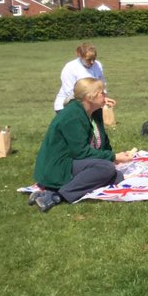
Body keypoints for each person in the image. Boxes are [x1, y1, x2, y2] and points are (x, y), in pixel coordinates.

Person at [31, 77, 136, 212]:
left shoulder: (94, 111)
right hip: (58, 164)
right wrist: (113, 157)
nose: (105, 95)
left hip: (72, 161)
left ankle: (47, 193)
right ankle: (57, 196)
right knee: (106, 169)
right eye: (101, 93)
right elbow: (80, 152)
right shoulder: (72, 116)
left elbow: (102, 140)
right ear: (89, 98)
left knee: (115, 175)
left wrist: (110, 156)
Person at [53, 42, 116, 112]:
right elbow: (70, 92)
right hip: (69, 106)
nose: (92, 62)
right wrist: (89, 102)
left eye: (94, 58)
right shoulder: (70, 67)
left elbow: (102, 84)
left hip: (93, 105)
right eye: (89, 59)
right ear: (80, 56)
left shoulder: (97, 65)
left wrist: (104, 97)